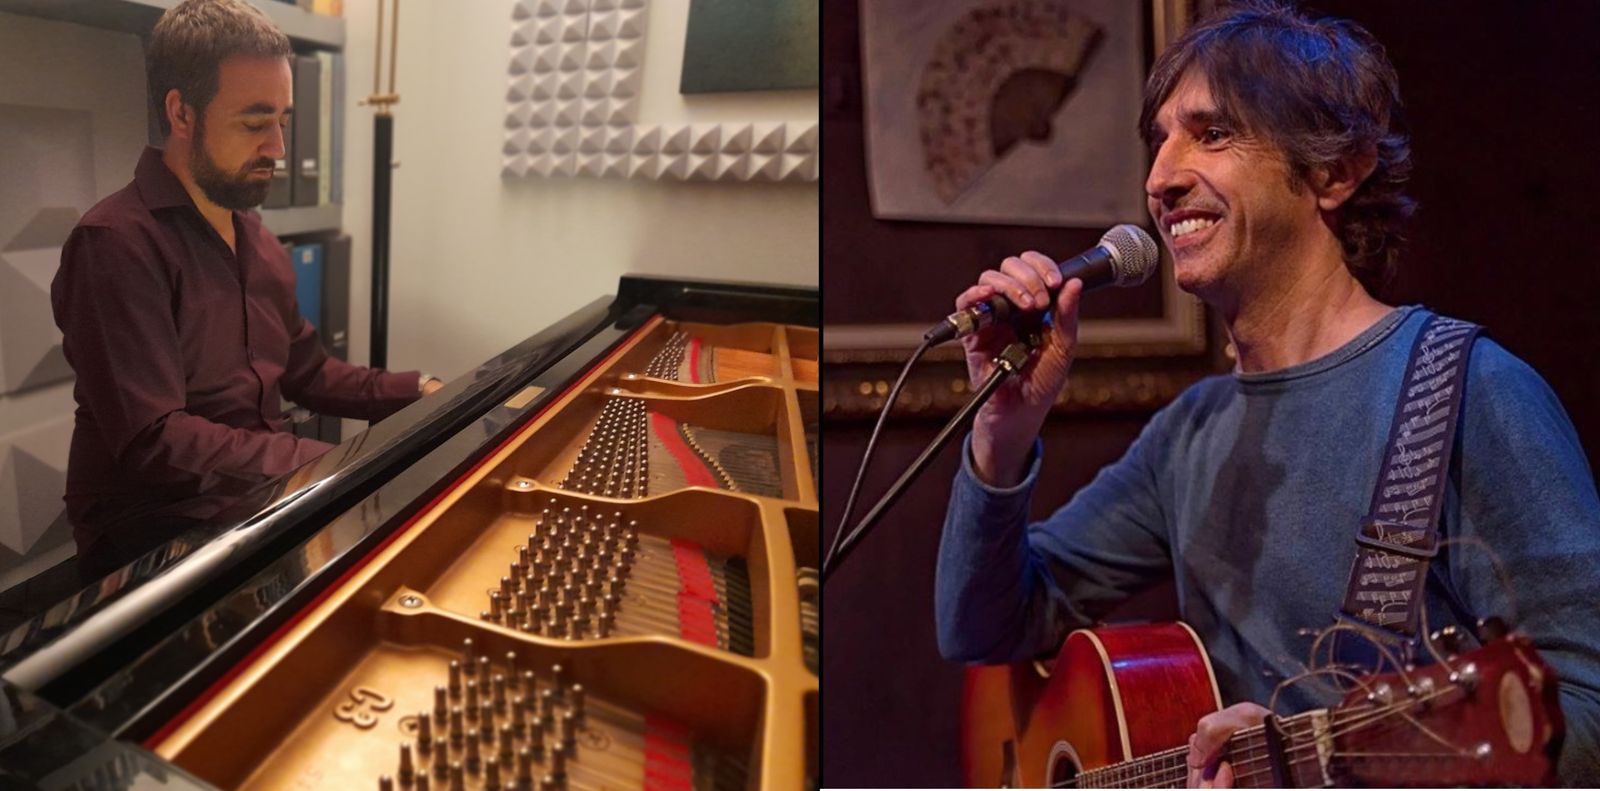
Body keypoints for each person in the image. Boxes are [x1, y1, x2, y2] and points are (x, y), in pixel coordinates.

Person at [934, 2, 1600, 786]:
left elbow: (1584, 711)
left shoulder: (1472, 394)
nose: (1160, 178)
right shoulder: (1191, 432)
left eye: (1212, 134)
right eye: (1160, 141)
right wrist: (1001, 436)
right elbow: (981, 627)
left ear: (1336, 169)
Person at [51, 0, 443, 576]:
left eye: (282, 121)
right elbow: (155, 440)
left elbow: (308, 372)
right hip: (155, 538)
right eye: (255, 123)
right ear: (181, 113)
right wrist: (326, 460)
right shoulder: (114, 244)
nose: (278, 149)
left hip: (254, 502)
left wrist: (420, 391)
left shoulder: (255, 238)